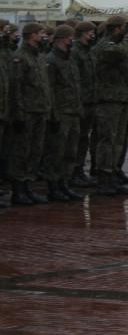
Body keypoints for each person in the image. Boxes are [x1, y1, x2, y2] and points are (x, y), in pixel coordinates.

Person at [8, 22, 53, 205]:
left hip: (40, 111)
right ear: (33, 35)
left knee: (35, 152)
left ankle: (28, 186)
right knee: (21, 152)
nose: (44, 36)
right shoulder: (20, 57)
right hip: (26, 112)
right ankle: (18, 190)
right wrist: (18, 114)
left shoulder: (39, 56)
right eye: (41, 33)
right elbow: (15, 88)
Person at [91, 15, 128, 196]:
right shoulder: (104, 46)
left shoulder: (115, 45)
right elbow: (122, 52)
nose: (126, 31)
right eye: (124, 28)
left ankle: (113, 176)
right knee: (107, 141)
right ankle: (104, 178)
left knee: (118, 141)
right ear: (117, 29)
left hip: (121, 99)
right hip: (108, 100)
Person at [42, 25, 85, 202]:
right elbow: (49, 90)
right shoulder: (51, 60)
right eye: (70, 37)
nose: (72, 40)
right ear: (64, 39)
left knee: (70, 151)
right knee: (56, 151)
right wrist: (53, 115)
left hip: (73, 111)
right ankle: (53, 185)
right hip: (60, 112)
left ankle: (64, 183)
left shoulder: (69, 59)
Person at [70, 21, 98, 188]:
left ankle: (79, 169)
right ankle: (73, 170)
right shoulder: (75, 52)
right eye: (89, 33)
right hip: (80, 101)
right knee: (77, 138)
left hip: (90, 100)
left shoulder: (88, 52)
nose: (91, 35)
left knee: (83, 139)